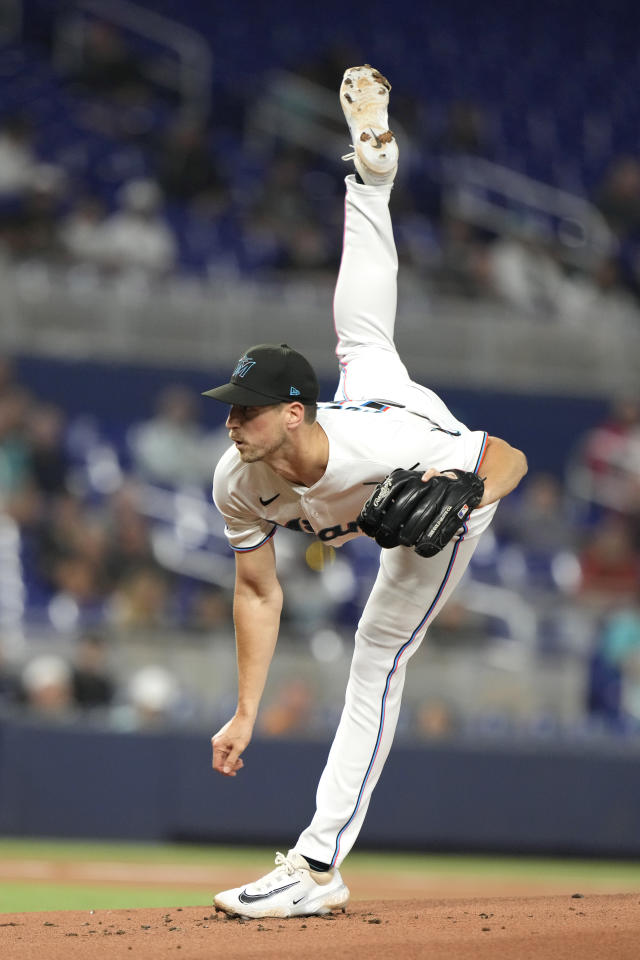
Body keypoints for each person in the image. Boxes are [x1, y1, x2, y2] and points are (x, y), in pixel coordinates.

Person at [205, 65, 528, 919]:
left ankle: (317, 867)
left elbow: (511, 456)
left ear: (292, 414)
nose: (232, 423)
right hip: (376, 393)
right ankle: (371, 181)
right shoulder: (237, 480)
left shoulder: (374, 447)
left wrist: (461, 490)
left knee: (376, 660)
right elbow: (256, 588)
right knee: (362, 334)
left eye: (247, 411)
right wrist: (245, 711)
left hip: (424, 462)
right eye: (228, 410)